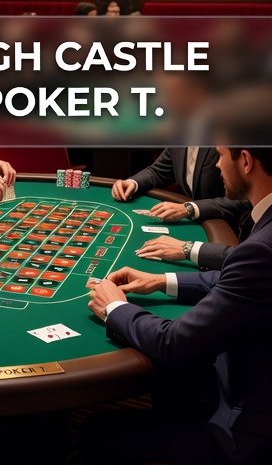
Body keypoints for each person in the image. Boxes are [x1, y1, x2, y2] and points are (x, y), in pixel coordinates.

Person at [81, 117, 272, 463]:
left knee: (95, 430)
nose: (217, 163)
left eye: (221, 155)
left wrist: (115, 308)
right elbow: (236, 282)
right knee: (173, 383)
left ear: (245, 161)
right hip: (245, 375)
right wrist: (162, 281)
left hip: (247, 430)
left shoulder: (263, 249)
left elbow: (175, 343)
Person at [112, 72, 252, 268]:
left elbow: (247, 200)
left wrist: (189, 209)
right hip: (200, 226)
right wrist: (133, 183)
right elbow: (159, 170)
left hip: (235, 234)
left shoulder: (227, 133)